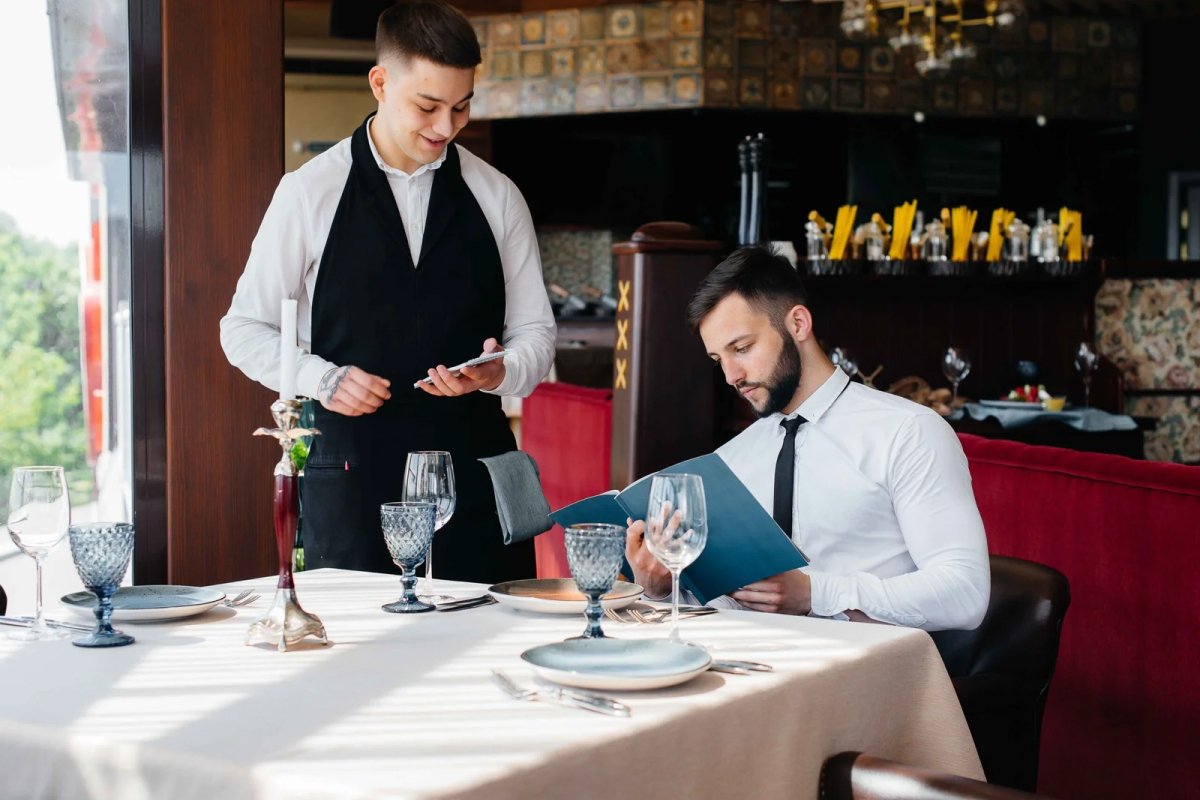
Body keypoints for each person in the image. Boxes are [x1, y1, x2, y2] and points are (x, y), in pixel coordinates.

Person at [220, 0, 555, 582]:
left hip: (474, 482)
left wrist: (496, 373)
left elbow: (537, 336)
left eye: (461, 107)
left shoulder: (498, 195)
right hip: (352, 481)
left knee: (483, 656)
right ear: (380, 82)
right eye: (427, 106)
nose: (446, 127)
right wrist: (320, 380)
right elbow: (241, 329)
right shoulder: (308, 192)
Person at [625, 245, 989, 631]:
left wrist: (816, 594)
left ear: (798, 324)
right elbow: (723, 601)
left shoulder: (909, 432)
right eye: (719, 360)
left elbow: (965, 594)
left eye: (743, 348)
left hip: (860, 671)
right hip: (742, 663)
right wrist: (662, 588)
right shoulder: (731, 459)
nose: (732, 375)